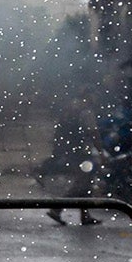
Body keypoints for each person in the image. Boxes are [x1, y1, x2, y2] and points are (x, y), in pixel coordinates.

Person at [43, 95, 99, 226]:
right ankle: (57, 209)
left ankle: (85, 215)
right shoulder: (87, 113)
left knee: (85, 184)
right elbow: (93, 133)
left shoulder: (72, 110)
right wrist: (100, 151)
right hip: (82, 153)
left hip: (72, 152)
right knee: (82, 184)